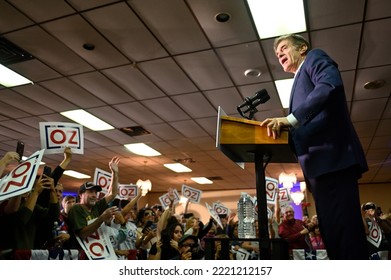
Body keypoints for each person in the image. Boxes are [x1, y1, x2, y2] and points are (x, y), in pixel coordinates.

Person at [261, 33, 369, 260]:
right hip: (320, 168)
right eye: (276, 52)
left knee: (345, 235)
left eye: (283, 47)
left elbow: (329, 85)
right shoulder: (297, 79)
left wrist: (290, 120)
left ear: (302, 48)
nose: (278, 53)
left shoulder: (313, 58)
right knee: (333, 235)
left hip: (334, 161)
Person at [68, 156, 120, 248]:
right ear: (81, 194)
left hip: (96, 251)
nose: (94, 195)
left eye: (95, 192)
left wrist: (114, 173)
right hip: (81, 254)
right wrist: (102, 218)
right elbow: (83, 234)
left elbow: (112, 194)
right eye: (90, 192)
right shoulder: (76, 209)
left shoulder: (96, 206)